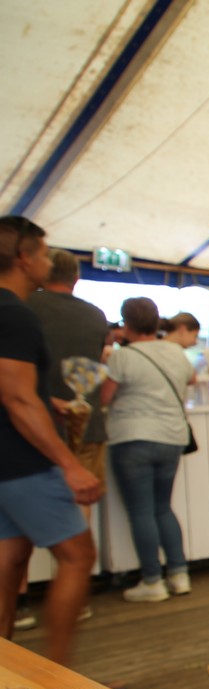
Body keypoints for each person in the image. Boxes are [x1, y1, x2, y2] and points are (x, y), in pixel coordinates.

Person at [0, 216, 101, 664]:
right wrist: (69, 464)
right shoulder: (16, 315)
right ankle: (60, 677)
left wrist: (48, 402)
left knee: (8, 565)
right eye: (42, 253)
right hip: (24, 460)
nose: (47, 261)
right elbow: (18, 399)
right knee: (78, 556)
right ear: (24, 258)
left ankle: (8, 673)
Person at [98, 297, 197, 601]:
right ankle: (179, 574)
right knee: (163, 507)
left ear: (126, 324)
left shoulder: (123, 357)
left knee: (141, 511)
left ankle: (152, 580)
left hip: (133, 436)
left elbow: (104, 398)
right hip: (172, 437)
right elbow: (192, 379)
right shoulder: (175, 352)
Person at [31, 249, 108, 519]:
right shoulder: (96, 315)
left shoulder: (25, 307)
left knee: (33, 508)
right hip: (87, 423)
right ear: (76, 278)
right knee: (80, 504)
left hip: (35, 423)